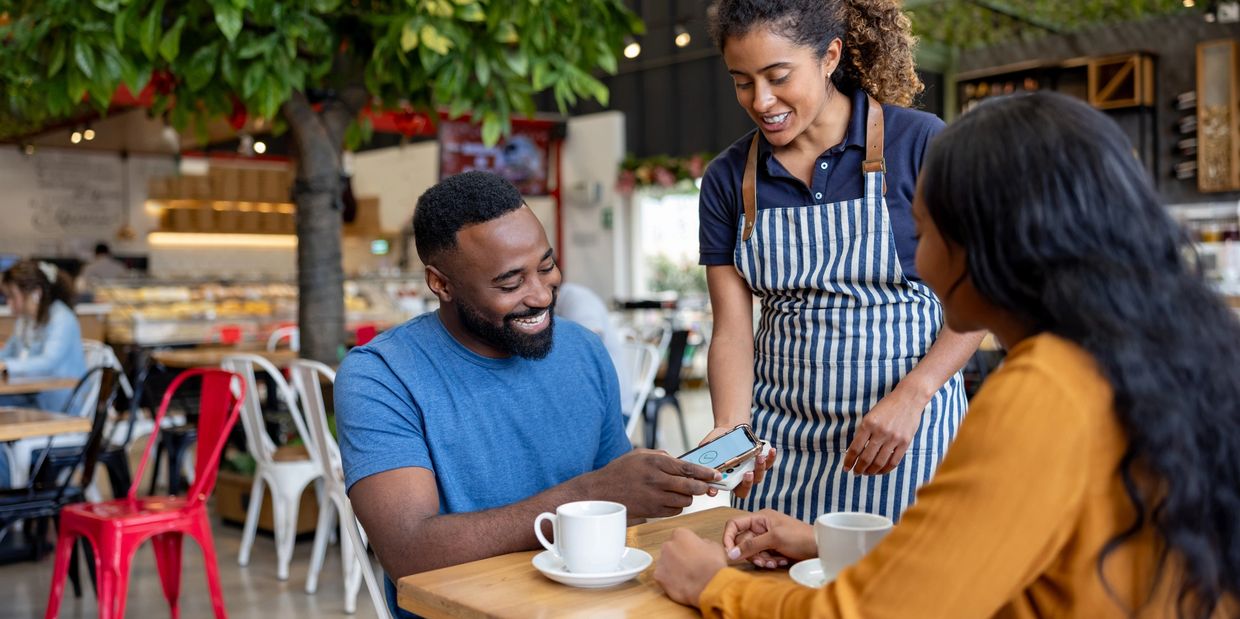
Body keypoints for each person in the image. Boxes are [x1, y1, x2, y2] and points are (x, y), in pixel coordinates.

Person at [652, 92, 1240, 618]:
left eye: (924, 231)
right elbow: (984, 554)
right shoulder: (1128, 358)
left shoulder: (1044, 391)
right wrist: (823, 542)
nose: (919, 265)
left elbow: (884, 612)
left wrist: (712, 587)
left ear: (994, 245)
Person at [334, 171, 771, 618]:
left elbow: (622, 512)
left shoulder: (583, 349)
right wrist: (592, 493)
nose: (542, 295)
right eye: (510, 284)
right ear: (441, 284)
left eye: (546, 266)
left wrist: (663, 484)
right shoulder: (381, 377)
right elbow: (409, 550)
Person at [696, 0, 982, 523]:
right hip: (779, 447)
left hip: (903, 435)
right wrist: (732, 430)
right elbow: (733, 332)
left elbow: (980, 292)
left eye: (778, 77)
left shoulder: (919, 143)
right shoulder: (727, 178)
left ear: (830, 56)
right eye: (742, 81)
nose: (761, 101)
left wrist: (913, 395)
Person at [0, 260, 86, 488]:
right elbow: (8, 353)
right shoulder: (26, 321)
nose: (9, 304)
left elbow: (49, 362)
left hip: (60, 405)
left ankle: (10, 490)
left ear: (35, 293)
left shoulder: (61, 318)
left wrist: (7, 367)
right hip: (34, 397)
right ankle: (10, 484)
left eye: (12, 296)